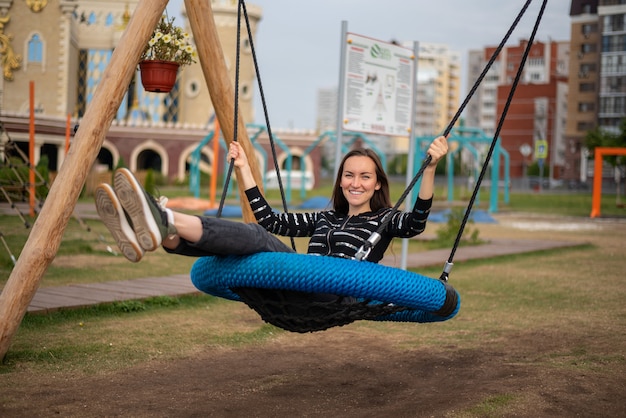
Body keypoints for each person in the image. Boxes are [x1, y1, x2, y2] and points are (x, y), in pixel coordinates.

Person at [94, 136, 448, 264]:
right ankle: (163, 234)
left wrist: (429, 170)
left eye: (364, 177)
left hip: (334, 291)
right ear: (340, 181)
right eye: (349, 175)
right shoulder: (325, 217)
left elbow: (416, 223)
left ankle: (161, 216)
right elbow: (273, 220)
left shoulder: (384, 220)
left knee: (257, 239)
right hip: (301, 282)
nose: (355, 183)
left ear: (376, 184)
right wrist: (245, 168)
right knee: (250, 242)